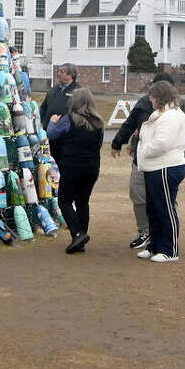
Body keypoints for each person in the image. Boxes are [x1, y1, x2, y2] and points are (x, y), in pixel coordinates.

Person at [111, 69, 185, 249]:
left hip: (164, 162)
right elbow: (130, 123)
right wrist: (117, 142)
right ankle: (145, 232)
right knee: (139, 196)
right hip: (142, 161)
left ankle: (167, 241)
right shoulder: (144, 104)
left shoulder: (181, 109)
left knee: (164, 202)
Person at [135, 80, 185, 263]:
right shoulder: (161, 114)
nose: (150, 100)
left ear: (159, 97)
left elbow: (162, 143)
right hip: (154, 167)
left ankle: (170, 250)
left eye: (152, 96)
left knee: (165, 208)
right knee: (154, 208)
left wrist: (143, 151)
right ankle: (155, 246)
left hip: (167, 167)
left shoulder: (172, 115)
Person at [47, 86, 105, 254]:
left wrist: (53, 121)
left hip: (72, 165)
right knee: (82, 202)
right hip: (92, 166)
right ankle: (81, 237)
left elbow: (51, 134)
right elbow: (99, 144)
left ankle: (77, 233)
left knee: (64, 201)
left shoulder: (69, 119)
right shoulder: (98, 122)